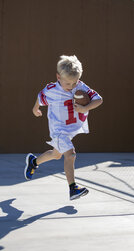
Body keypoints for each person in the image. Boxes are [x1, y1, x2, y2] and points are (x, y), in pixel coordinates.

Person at [24, 55, 103, 200]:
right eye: (68, 83)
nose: (72, 87)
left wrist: (85, 108)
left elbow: (99, 100)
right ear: (58, 77)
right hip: (58, 129)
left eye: (75, 82)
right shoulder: (51, 89)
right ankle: (73, 188)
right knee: (71, 155)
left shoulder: (80, 86)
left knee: (56, 155)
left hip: (71, 129)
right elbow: (40, 97)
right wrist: (35, 109)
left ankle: (33, 162)